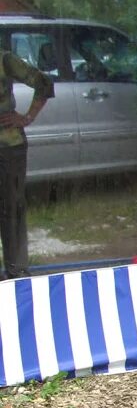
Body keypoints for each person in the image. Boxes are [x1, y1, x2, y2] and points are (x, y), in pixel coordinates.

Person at [0, 48, 55, 279]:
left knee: (11, 209)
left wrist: (27, 117)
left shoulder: (4, 59)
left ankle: (17, 272)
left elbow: (44, 82)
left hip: (8, 146)